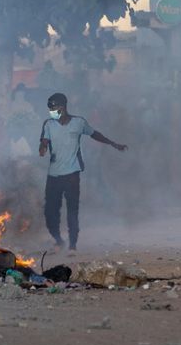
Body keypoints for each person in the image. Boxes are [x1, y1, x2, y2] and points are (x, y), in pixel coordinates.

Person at [38, 92, 127, 253]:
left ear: (63, 107)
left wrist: (113, 144)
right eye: (49, 108)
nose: (51, 111)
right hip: (53, 175)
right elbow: (44, 141)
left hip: (72, 174)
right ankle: (58, 239)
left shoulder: (79, 123)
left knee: (72, 209)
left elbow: (95, 134)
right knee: (50, 211)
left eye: (54, 108)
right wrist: (42, 148)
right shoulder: (48, 124)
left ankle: (72, 244)